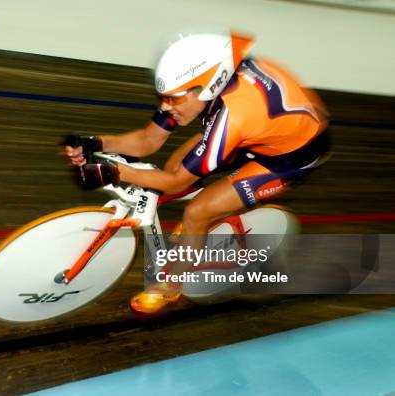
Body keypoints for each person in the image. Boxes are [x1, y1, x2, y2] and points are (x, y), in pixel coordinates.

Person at [63, 30, 329, 315]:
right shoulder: (198, 87)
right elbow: (148, 140)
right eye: (162, 97)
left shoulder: (232, 116)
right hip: (262, 130)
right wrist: (95, 142)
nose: (165, 106)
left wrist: (116, 172)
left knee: (196, 212)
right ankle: (202, 224)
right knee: (174, 168)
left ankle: (172, 285)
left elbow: (178, 184)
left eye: (172, 99)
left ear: (206, 88)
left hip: (290, 158)